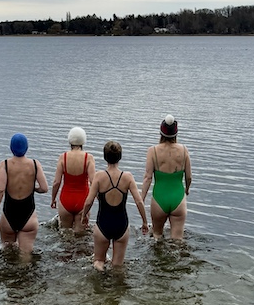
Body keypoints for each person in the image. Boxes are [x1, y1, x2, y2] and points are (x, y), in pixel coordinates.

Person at [82, 141, 148, 270]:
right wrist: (144, 222)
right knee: (117, 266)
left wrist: (84, 215)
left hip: (103, 224)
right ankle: (116, 287)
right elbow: (139, 201)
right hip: (121, 225)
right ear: (120, 156)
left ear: (105, 157)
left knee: (99, 261)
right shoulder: (127, 177)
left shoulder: (99, 176)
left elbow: (89, 201)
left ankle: (99, 284)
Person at [0, 133, 47, 259]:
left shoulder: (5, 164)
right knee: (25, 257)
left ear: (11, 148)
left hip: (9, 214)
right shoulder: (35, 164)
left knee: (7, 254)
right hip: (29, 215)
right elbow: (44, 188)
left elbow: (0, 191)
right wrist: (33, 189)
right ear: (26, 148)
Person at [141, 115, 192, 240]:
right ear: (176, 133)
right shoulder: (184, 150)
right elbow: (189, 176)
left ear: (161, 132)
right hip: (178, 198)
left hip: (159, 198)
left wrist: (141, 199)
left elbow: (148, 178)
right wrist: (187, 189)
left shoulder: (152, 151)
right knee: (177, 240)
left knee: (157, 235)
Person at [50, 126, 96, 232]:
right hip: (83, 200)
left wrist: (53, 199)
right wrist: (98, 198)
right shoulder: (88, 158)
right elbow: (93, 182)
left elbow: (56, 182)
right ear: (83, 141)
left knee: (65, 236)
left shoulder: (63, 157)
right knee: (80, 238)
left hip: (66, 199)